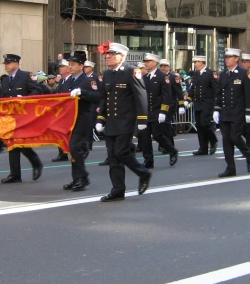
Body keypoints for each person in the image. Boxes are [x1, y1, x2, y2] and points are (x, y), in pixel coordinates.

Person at [95, 42, 151, 201]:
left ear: (122, 56)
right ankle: (118, 190)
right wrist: (101, 118)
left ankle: (143, 172)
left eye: (112, 54)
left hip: (127, 121)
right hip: (112, 122)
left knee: (120, 152)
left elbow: (141, 95)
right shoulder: (107, 74)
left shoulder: (131, 71)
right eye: (108, 54)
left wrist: (142, 119)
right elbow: (105, 98)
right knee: (113, 158)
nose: (108, 57)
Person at [0, 53, 44, 183]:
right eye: (5, 63)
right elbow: (2, 97)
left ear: (16, 64)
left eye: (8, 63)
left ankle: (34, 164)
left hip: (24, 116)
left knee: (19, 143)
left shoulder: (26, 76)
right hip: (10, 117)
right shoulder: (6, 80)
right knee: (13, 144)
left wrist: (24, 99)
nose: (6, 65)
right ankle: (16, 174)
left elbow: (37, 91)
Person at [59, 51, 101, 191]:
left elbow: (97, 97)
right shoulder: (67, 81)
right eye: (69, 64)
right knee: (73, 149)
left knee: (74, 148)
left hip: (82, 119)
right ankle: (77, 179)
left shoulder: (88, 81)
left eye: (73, 64)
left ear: (81, 66)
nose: (69, 67)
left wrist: (82, 93)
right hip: (69, 120)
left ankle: (83, 177)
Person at [214, 48, 250, 178]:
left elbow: (249, 94)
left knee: (235, 137)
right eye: (226, 57)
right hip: (225, 112)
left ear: (236, 58)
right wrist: (216, 109)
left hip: (238, 112)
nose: (227, 59)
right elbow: (219, 94)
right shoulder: (223, 74)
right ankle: (230, 168)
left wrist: (249, 112)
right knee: (226, 141)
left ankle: (249, 155)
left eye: (230, 57)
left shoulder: (244, 73)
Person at [139, 53, 178, 168]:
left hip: (157, 110)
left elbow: (167, 95)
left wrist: (163, 111)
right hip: (146, 112)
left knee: (157, 135)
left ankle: (172, 151)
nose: (146, 63)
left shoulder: (162, 76)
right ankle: (148, 160)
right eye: (145, 61)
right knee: (145, 138)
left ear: (155, 63)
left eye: (148, 61)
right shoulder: (144, 77)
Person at [188, 55, 219, 155]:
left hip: (207, 103)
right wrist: (189, 99)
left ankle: (213, 140)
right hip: (198, 103)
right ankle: (203, 147)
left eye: (196, 62)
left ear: (201, 62)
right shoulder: (196, 74)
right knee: (199, 126)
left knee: (205, 123)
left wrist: (216, 105)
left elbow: (216, 89)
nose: (194, 64)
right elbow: (193, 88)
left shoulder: (210, 73)